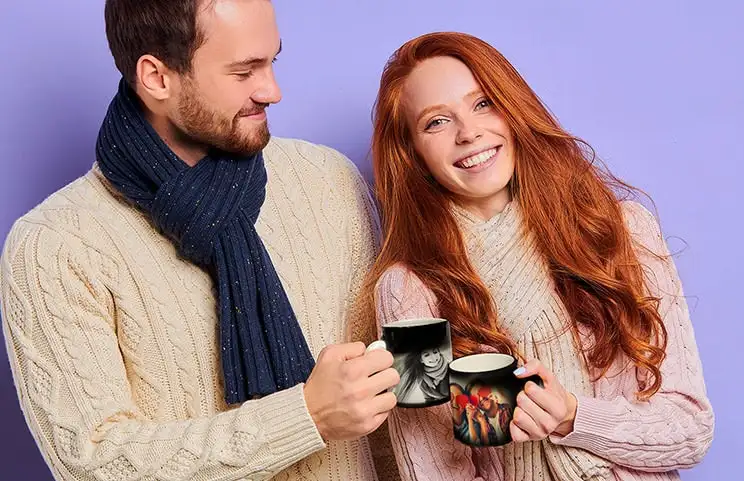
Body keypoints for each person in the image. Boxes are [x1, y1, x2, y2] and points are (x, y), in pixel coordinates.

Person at [0, 1, 400, 480]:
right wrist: (305, 417)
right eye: (244, 71)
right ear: (157, 78)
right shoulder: (56, 246)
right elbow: (93, 463)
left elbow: (388, 405)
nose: (272, 90)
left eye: (273, 60)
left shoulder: (326, 181)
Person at [363, 31, 714, 480]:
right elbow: (429, 467)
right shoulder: (406, 289)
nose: (469, 133)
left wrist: (573, 417)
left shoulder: (618, 228)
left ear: (513, 109)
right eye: (436, 122)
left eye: (483, 103)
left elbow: (691, 430)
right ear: (412, 152)